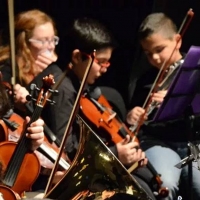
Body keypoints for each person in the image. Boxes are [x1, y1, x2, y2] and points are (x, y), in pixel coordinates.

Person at [30, 17, 157, 199]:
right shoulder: (63, 90)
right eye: (101, 62)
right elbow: (65, 154)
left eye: (108, 63)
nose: (105, 69)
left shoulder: (71, 79)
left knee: (143, 183)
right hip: (52, 181)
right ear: (76, 56)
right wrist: (115, 154)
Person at [126, 12, 200, 200]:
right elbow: (137, 115)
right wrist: (132, 115)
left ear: (178, 40)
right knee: (164, 183)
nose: (155, 58)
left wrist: (177, 99)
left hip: (193, 144)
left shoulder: (194, 72)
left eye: (160, 49)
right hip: (159, 142)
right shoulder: (145, 80)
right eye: (149, 53)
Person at [0, 9, 59, 110]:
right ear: (24, 44)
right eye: (43, 41)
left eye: (53, 39)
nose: (51, 46)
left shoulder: (51, 69)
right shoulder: (7, 69)